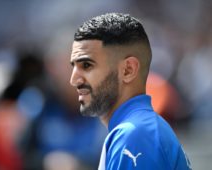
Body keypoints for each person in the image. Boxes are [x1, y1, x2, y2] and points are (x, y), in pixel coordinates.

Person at [69, 13, 191, 170]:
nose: (73, 80)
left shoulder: (135, 135)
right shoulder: (138, 130)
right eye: (73, 66)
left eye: (86, 65)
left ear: (128, 70)